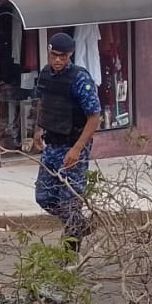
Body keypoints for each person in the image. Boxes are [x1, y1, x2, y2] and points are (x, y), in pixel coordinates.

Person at [29, 32, 102, 251]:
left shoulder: (80, 78)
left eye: (63, 56)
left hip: (73, 145)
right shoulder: (45, 74)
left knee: (70, 203)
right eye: (54, 55)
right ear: (49, 53)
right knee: (44, 197)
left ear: (70, 55)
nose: (58, 60)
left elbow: (94, 116)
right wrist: (38, 129)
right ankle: (81, 225)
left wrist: (78, 149)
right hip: (53, 145)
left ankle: (70, 259)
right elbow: (43, 102)